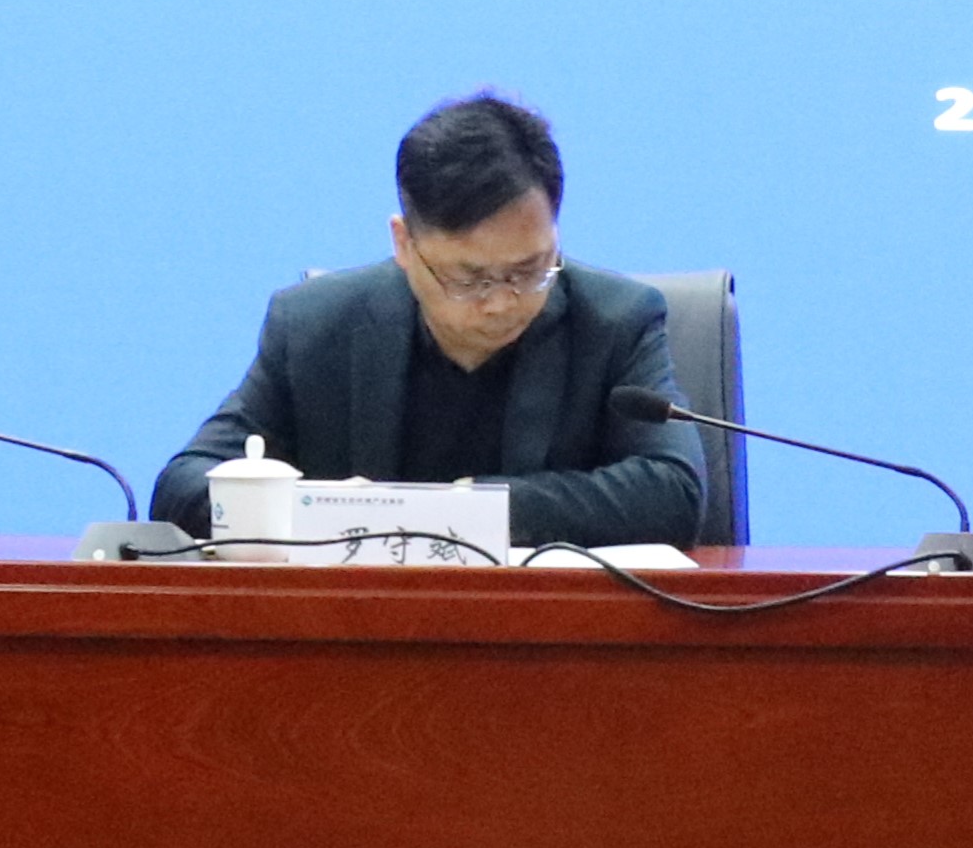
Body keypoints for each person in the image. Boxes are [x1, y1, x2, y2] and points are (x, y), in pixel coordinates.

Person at [147, 91, 707, 545]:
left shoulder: (617, 322)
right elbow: (182, 486)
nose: (501, 301)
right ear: (404, 244)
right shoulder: (315, 328)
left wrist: (466, 509)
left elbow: (674, 490)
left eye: (529, 269)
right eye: (468, 278)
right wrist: (327, 512)